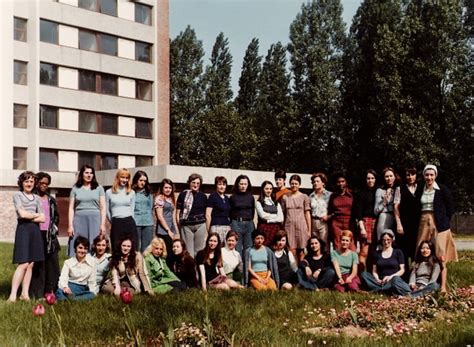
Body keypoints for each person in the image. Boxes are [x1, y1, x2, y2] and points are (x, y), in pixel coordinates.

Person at [416, 164, 457, 292]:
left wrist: (444, 221)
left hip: (439, 224)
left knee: (440, 254)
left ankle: (443, 286)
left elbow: (450, 208)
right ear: (423, 176)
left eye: (431, 175)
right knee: (421, 250)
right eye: (427, 175)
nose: (429, 177)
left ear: (435, 175)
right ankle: (421, 282)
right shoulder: (420, 190)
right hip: (424, 221)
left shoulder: (442, 189)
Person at [8, 171, 45, 302]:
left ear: (34, 183)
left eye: (31, 181)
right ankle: (12, 295)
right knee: (23, 263)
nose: (29, 183)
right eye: (26, 181)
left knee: (30, 264)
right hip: (23, 230)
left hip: (35, 231)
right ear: (22, 183)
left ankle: (25, 294)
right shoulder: (18, 195)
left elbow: (43, 218)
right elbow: (22, 214)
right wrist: (34, 215)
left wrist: (30, 215)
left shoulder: (37, 198)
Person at [29, 172, 60, 298]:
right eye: (41, 183)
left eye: (46, 184)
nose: (43, 186)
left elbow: (56, 216)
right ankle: (37, 293)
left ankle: (51, 291)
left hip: (49, 235)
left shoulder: (51, 199)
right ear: (36, 183)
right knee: (38, 265)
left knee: (52, 264)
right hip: (37, 233)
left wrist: (54, 228)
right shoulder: (31, 198)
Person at [67, 165, 106, 256]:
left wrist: (103, 224)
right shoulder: (75, 188)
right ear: (82, 174)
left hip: (95, 219)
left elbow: (103, 207)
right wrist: (70, 225)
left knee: (94, 242)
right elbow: (71, 208)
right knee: (78, 242)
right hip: (79, 219)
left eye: (91, 173)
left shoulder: (99, 188)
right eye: (86, 173)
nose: (89, 175)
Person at [360, 230, 407, 295]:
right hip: (380, 281)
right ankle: (383, 289)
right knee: (364, 274)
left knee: (396, 280)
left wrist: (390, 277)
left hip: (393, 279)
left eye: (388, 240)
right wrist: (377, 279)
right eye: (384, 240)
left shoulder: (398, 252)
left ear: (392, 240)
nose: (386, 242)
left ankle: (378, 290)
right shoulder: (377, 254)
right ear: (381, 241)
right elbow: (374, 271)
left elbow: (402, 270)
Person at [394, 167, 423, 265]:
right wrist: (398, 223)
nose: (410, 177)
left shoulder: (422, 187)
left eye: (412, 174)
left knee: (417, 249)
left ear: (416, 175)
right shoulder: (399, 188)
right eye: (408, 175)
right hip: (404, 223)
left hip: (418, 223)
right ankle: (404, 275)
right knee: (404, 251)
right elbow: (396, 207)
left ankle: (415, 275)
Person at [280, 175, 311, 261]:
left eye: (296, 183)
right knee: (291, 250)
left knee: (302, 251)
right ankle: (294, 271)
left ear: (299, 185)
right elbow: (283, 213)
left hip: (301, 226)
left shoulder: (304, 197)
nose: (294, 185)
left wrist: (309, 230)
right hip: (289, 226)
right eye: (292, 183)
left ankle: (301, 270)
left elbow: (307, 213)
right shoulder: (285, 197)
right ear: (289, 184)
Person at [176, 174, 208, 257]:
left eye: (198, 183)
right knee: (188, 251)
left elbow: (206, 213)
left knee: (199, 251)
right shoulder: (183, 195)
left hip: (200, 225)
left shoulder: (203, 196)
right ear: (189, 183)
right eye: (193, 182)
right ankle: (190, 269)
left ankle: (199, 269)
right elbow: (178, 213)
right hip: (187, 226)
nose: (195, 185)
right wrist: (179, 227)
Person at [56, 236, 96, 301]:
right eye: (80, 248)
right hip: (70, 286)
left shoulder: (92, 262)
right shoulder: (68, 262)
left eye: (85, 248)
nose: (82, 251)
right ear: (75, 249)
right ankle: (74, 299)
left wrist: (92, 293)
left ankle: (70, 299)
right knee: (59, 291)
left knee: (91, 295)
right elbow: (63, 278)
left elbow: (92, 282)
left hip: (83, 288)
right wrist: (65, 287)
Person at [106, 168, 136, 250]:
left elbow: (132, 209)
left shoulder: (132, 192)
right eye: (122, 177)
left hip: (129, 221)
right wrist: (113, 221)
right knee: (117, 247)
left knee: (131, 247)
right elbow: (107, 210)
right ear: (118, 177)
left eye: (127, 178)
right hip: (116, 222)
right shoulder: (109, 192)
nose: (125, 180)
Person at [354, 169, 378, 271]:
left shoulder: (379, 191)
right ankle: (361, 275)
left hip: (377, 222)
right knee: (364, 252)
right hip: (365, 222)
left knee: (374, 252)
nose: (370, 180)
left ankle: (372, 275)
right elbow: (358, 212)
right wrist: (362, 227)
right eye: (368, 178)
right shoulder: (361, 193)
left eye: (372, 178)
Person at [328, 173, 355, 251]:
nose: (340, 184)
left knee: (351, 245)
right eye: (338, 182)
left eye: (343, 181)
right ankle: (338, 263)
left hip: (349, 222)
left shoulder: (352, 195)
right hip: (336, 222)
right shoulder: (333, 196)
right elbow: (330, 210)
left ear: (346, 182)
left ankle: (352, 263)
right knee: (337, 245)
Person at [230, 175, 255, 257]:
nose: (243, 186)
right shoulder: (233, 197)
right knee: (237, 248)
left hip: (249, 224)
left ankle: (247, 268)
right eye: (241, 184)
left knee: (248, 248)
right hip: (236, 223)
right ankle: (239, 268)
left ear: (248, 185)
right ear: (238, 184)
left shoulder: (251, 197)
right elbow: (230, 211)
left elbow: (253, 211)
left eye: (245, 184)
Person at [374, 167, 400, 242]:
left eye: (391, 176)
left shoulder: (399, 189)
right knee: (383, 241)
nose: (389, 178)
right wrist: (384, 201)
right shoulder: (380, 191)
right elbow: (376, 211)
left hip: (397, 219)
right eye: (387, 176)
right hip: (385, 218)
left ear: (395, 177)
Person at [155, 178, 179, 255]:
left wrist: (175, 230)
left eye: (170, 188)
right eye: (166, 188)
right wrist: (168, 230)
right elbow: (160, 216)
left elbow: (173, 216)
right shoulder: (159, 198)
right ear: (162, 188)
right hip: (163, 229)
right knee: (166, 251)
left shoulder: (171, 198)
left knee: (173, 250)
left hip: (171, 228)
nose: (168, 190)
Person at [132, 170, 154, 253]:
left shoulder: (149, 193)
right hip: (135, 222)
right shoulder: (131, 192)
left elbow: (151, 207)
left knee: (147, 248)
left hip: (148, 222)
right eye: (141, 180)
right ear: (136, 180)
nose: (143, 183)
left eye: (145, 181)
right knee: (135, 247)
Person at [255, 180, 283, 246]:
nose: (269, 191)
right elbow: (263, 216)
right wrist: (276, 216)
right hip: (264, 229)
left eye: (270, 189)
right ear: (263, 189)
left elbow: (281, 218)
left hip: (276, 229)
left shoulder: (276, 203)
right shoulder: (259, 202)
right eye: (266, 188)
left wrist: (269, 220)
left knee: (275, 248)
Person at [206, 176, 232, 244]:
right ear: (216, 185)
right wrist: (209, 230)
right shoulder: (212, 197)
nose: (222, 187)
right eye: (219, 184)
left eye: (224, 184)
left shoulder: (227, 198)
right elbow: (208, 215)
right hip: (216, 226)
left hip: (227, 227)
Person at [309, 172, 332, 246]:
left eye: (317, 181)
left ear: (323, 183)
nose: (315, 183)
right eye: (314, 182)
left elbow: (334, 210)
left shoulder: (329, 195)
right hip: (313, 221)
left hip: (324, 222)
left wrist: (328, 216)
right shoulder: (311, 196)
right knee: (315, 244)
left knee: (324, 244)